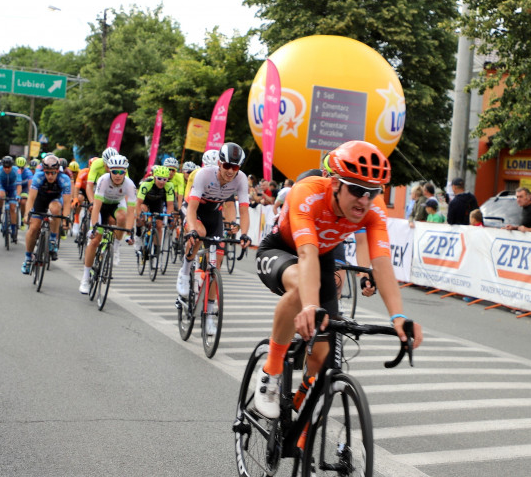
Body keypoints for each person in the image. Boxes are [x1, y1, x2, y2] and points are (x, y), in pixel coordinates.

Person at [253, 140, 423, 420]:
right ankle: (271, 371)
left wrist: (398, 317)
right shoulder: (307, 193)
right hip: (282, 249)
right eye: (356, 190)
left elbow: (381, 263)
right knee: (301, 292)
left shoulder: (373, 208)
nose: (364, 200)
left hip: (320, 257)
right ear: (334, 184)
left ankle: (299, 407)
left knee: (321, 356)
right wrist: (309, 306)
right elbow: (306, 254)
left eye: (373, 192)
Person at [177, 143, 252, 337]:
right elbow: (192, 209)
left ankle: (209, 314)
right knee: (199, 233)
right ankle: (185, 271)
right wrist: (192, 229)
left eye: (235, 167)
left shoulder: (241, 180)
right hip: (194, 210)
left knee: (216, 265)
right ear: (219, 163)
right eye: (226, 165)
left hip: (214, 215)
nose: (230, 171)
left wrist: (244, 234)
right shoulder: (204, 175)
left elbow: (243, 210)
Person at [79, 154, 137, 294]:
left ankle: (115, 248)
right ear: (109, 170)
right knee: (94, 241)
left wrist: (129, 232)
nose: (118, 175)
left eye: (121, 172)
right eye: (114, 171)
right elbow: (97, 207)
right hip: (102, 205)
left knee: (121, 217)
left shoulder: (130, 184)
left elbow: (130, 212)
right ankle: (85, 278)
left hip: (117, 205)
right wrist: (93, 228)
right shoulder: (103, 180)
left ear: (125, 172)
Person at [22, 155, 71, 273]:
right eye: (47, 172)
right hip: (40, 200)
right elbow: (31, 198)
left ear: (57, 171)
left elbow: (67, 202)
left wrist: (65, 220)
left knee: (55, 209)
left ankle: (53, 239)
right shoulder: (38, 177)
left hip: (55, 200)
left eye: (53, 173)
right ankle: (28, 258)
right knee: (33, 228)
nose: (50, 176)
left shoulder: (64, 179)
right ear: (44, 171)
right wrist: (26, 214)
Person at [135, 165, 175, 258]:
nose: (162, 182)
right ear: (154, 177)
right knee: (142, 213)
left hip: (157, 202)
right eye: (159, 179)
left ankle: (157, 249)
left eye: (165, 179)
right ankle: (138, 235)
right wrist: (139, 216)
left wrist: (170, 218)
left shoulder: (169, 186)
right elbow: (138, 203)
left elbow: (170, 205)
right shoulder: (146, 184)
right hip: (145, 201)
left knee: (159, 225)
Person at [0, 156, 22, 242]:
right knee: (1, 196)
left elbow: (19, 185)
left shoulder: (16, 170)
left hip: (12, 188)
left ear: (11, 166)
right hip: (3, 186)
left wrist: (18, 195)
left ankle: (13, 230)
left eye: (8, 167)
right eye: (5, 167)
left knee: (12, 208)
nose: (6, 169)